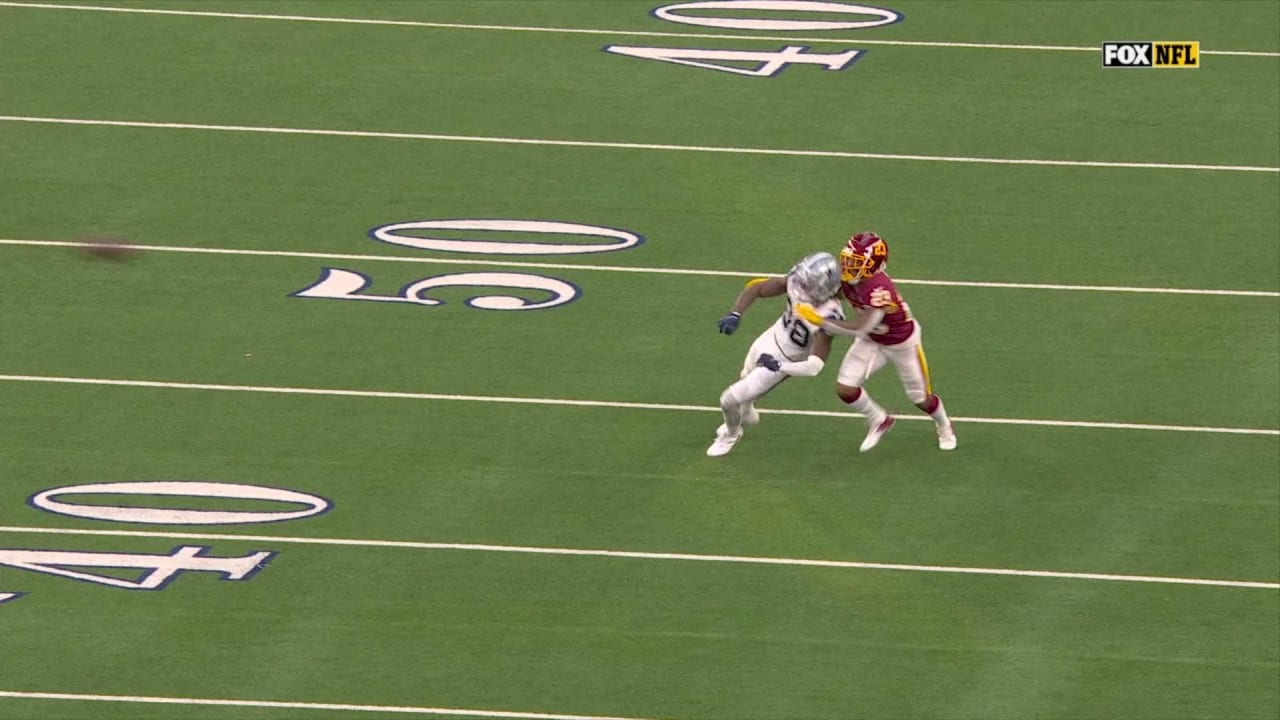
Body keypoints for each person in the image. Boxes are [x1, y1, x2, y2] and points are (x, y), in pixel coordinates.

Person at [795, 232, 957, 452]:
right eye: (848, 260)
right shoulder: (850, 279)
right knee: (845, 389)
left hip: (902, 344)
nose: (848, 266)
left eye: (855, 263)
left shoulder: (880, 289)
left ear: (873, 265)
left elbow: (862, 327)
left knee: (920, 399)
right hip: (872, 341)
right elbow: (834, 293)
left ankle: (944, 424)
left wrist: (821, 320)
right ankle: (879, 419)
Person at [709, 252, 845, 457]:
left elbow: (815, 366)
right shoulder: (797, 281)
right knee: (745, 378)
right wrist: (735, 313)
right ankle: (746, 412)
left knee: (729, 400)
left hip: (787, 359)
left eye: (809, 284)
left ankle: (731, 434)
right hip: (770, 338)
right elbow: (757, 288)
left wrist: (779, 366)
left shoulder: (830, 316)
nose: (802, 286)